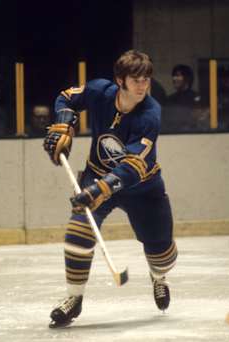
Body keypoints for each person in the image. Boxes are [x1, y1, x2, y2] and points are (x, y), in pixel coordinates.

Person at [43, 50, 177, 328]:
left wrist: (100, 189)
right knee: (78, 232)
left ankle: (159, 276)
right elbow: (66, 98)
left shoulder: (150, 114)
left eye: (146, 79)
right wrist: (64, 125)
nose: (142, 85)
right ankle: (74, 299)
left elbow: (132, 167)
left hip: (143, 188)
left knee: (163, 254)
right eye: (135, 79)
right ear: (120, 80)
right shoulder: (99, 91)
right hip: (96, 174)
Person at [162, 64, 200, 131]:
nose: (174, 78)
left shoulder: (196, 98)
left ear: (187, 78)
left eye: (178, 75)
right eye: (173, 76)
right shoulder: (170, 99)